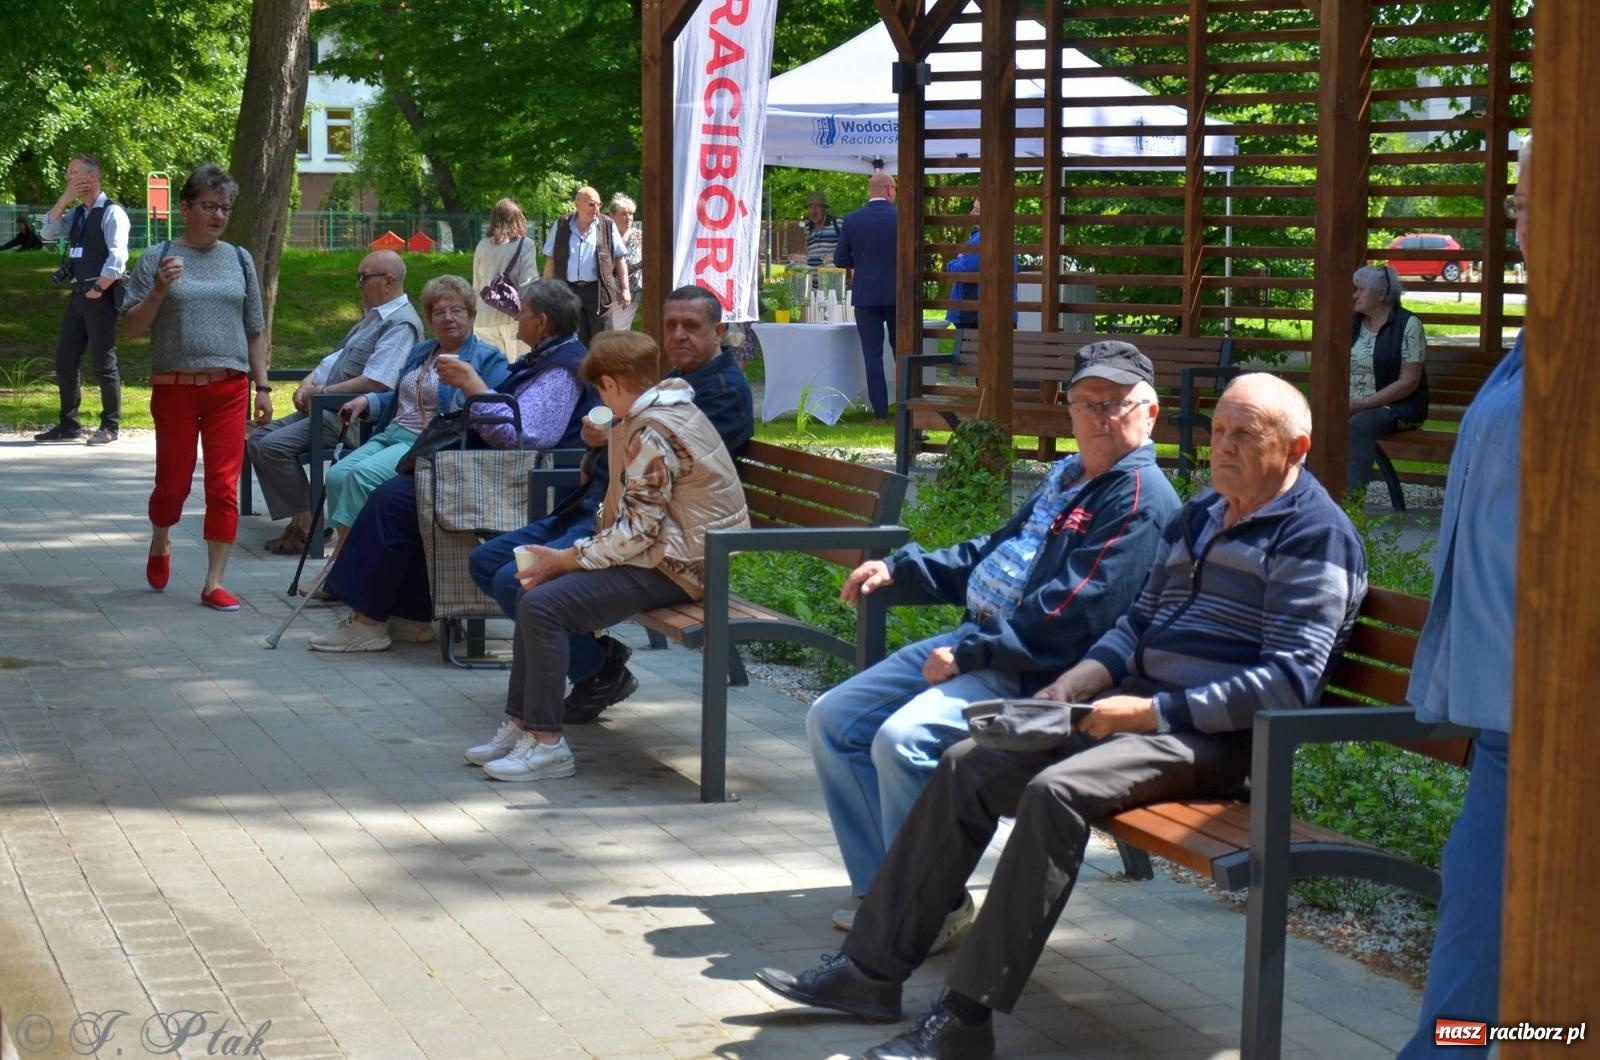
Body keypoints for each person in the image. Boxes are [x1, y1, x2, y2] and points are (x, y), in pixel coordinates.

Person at [754, 373, 1368, 1060]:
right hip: (1130, 707)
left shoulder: (1316, 537)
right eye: (1218, 430)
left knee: (1056, 792)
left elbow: (1288, 683)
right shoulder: (1203, 512)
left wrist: (1148, 712)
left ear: (1297, 447)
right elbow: (1138, 620)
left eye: (1244, 436)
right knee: (969, 762)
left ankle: (966, 1017)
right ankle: (869, 974)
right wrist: (1079, 681)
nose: (1222, 447)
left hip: (1214, 740)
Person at [808, 341, 1181, 935]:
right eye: (1087, 402)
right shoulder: (1068, 475)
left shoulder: (1139, 499)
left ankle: (928, 907)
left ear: (1150, 412)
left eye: (1116, 403)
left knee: (902, 741)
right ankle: (887, 892)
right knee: (834, 717)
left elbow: (1074, 618)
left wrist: (968, 653)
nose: (1100, 417)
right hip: (982, 643)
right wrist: (905, 568)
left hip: (1041, 676)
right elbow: (997, 550)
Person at [465, 329, 750, 782]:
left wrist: (565, 559)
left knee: (542, 602)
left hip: (684, 566)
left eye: (600, 388)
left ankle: (546, 746)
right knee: (533, 592)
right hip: (674, 553)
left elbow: (638, 532)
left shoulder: (654, 430)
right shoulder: (656, 410)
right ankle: (522, 725)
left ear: (612, 384)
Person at [1396, 135, 1530, 1060]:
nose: (1512, 217)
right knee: (1474, 965)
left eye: (1529, 201)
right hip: (1509, 713)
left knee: (1488, 972)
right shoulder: (1545, 333)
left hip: (1553, 718)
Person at [310, 279, 594, 653]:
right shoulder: (548, 357)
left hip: (531, 484)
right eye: (439, 312)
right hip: (502, 470)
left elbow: (527, 436)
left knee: (394, 501)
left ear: (541, 322)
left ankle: (367, 623)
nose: (515, 321)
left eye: (521, 313)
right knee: (397, 496)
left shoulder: (561, 368)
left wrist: (473, 385)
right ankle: (409, 616)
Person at [120, 163, 272, 612]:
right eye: (209, 205)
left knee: (224, 486)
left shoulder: (240, 259)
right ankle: (161, 537)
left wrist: (262, 387)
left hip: (229, 387)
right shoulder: (157, 256)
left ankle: (213, 581)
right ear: (186, 207)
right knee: (173, 484)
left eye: (224, 207)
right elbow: (131, 329)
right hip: (175, 387)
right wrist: (159, 290)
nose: (218, 215)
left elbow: (256, 329)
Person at [246, 250, 423, 555]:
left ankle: (308, 527)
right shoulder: (373, 318)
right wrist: (308, 382)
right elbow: (334, 358)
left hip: (351, 419)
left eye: (363, 278)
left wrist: (322, 393)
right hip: (324, 409)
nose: (359, 285)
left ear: (389, 281)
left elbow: (377, 381)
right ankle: (307, 521)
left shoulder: (400, 324)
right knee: (257, 437)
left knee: (272, 446)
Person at [325, 276, 508, 544]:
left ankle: (342, 566)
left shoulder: (487, 358)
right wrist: (369, 401)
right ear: (430, 319)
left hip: (424, 441)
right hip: (391, 433)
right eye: (439, 312)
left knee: (361, 477)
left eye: (456, 311)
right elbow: (403, 395)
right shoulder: (422, 351)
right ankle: (354, 556)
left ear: (472, 316)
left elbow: (494, 406)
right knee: (337, 476)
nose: (448, 318)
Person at [35, 154, 130, 446]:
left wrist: (100, 288)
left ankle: (110, 425)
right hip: (78, 296)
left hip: (99, 295)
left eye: (73, 172)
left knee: (103, 361)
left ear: (92, 177)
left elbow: (118, 257)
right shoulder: (76, 214)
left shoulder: (112, 213)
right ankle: (69, 425)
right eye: (68, 173)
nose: (69, 178)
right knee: (65, 359)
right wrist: (63, 200)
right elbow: (47, 233)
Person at [1347, 262, 1428, 496]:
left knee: (1359, 425)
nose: (1355, 295)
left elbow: (1408, 383)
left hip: (1397, 407)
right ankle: (1308, 501)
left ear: (1381, 294)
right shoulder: (1354, 323)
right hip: (1354, 405)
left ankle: (1351, 506)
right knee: (1313, 418)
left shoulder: (1408, 325)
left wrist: (1362, 404)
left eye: (1360, 289)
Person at [834, 171, 897, 423]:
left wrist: (861, 262)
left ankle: (880, 415)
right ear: (890, 190)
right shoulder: (903, 217)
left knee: (872, 356)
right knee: (902, 353)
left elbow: (840, 259)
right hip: (897, 294)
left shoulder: (852, 220)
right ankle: (905, 410)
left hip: (865, 295)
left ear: (871, 191)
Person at [543, 186, 630, 343]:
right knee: (574, 340)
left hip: (598, 292)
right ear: (577, 204)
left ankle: (603, 368)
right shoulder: (562, 224)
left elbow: (619, 258)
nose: (596, 208)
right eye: (591, 204)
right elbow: (551, 259)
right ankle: (579, 368)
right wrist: (546, 290)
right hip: (568, 291)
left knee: (603, 341)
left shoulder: (607, 225)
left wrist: (625, 289)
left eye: (599, 204)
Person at [472, 198, 540, 356]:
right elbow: (529, 282)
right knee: (514, 371)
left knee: (487, 370)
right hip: (513, 318)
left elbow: (477, 284)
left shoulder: (482, 245)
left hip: (483, 318)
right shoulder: (526, 244)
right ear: (518, 219)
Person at [607, 194, 644, 332]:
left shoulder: (640, 237)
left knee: (619, 331)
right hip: (606, 294)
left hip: (631, 294)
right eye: (623, 214)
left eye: (631, 214)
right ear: (612, 215)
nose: (628, 218)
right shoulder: (604, 236)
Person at [803, 190, 842, 268]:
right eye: (810, 207)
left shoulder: (838, 224)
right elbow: (807, 253)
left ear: (825, 209)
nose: (813, 211)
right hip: (812, 277)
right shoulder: (807, 228)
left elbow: (852, 249)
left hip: (832, 277)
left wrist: (837, 257)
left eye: (817, 207)